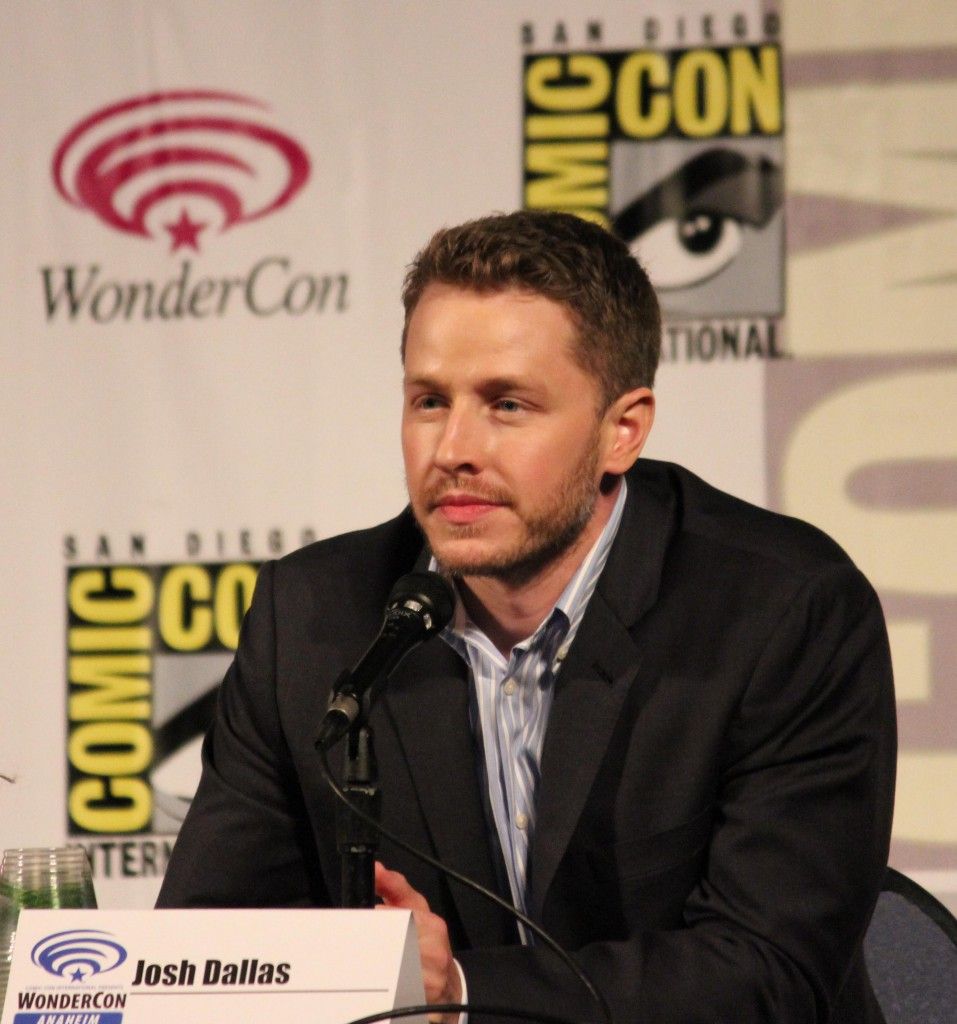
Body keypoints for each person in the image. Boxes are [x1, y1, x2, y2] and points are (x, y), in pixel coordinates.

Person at [158, 210, 897, 1023]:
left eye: (507, 405)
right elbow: (202, 950)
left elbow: (768, 973)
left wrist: (461, 993)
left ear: (621, 431)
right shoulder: (312, 620)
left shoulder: (783, 611)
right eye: (429, 401)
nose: (452, 449)